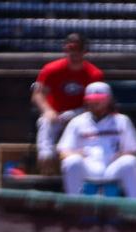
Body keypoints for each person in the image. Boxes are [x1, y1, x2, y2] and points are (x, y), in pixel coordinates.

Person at [57, 82, 136, 198]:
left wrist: (122, 154)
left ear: (109, 100)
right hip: (88, 166)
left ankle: (135, 209)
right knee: (71, 161)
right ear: (86, 100)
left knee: (130, 161)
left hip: (112, 166)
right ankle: (74, 206)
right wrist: (75, 153)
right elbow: (63, 151)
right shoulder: (77, 121)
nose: (95, 102)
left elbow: (134, 149)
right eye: (91, 99)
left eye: (100, 99)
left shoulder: (122, 120)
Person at [32, 33, 104, 171]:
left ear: (84, 51)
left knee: (73, 119)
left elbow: (97, 102)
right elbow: (37, 94)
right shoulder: (51, 69)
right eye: (70, 49)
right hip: (54, 113)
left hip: (81, 113)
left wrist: (76, 114)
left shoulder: (94, 74)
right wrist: (47, 110)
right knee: (45, 123)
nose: (73, 53)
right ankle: (46, 160)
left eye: (77, 50)